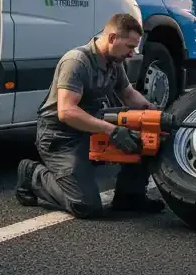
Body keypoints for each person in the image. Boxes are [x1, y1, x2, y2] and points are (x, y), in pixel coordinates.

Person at [15, 13, 166, 218]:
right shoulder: (77, 61)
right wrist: (112, 131)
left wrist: (155, 113)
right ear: (112, 38)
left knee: (147, 135)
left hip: (90, 129)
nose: (132, 53)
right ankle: (31, 174)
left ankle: (129, 196)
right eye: (130, 46)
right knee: (85, 205)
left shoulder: (114, 62)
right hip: (61, 136)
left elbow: (128, 94)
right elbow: (66, 111)